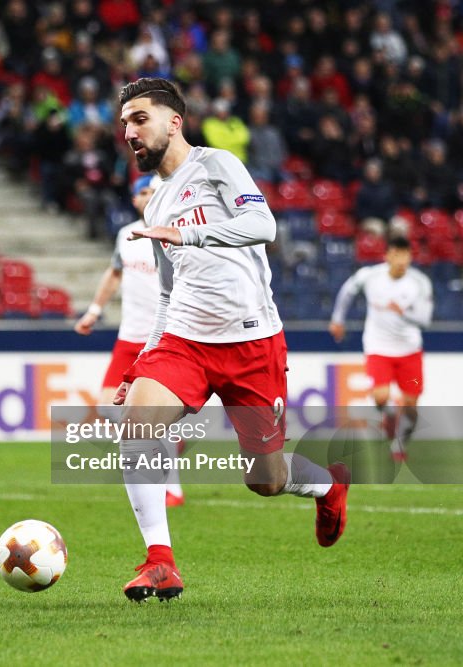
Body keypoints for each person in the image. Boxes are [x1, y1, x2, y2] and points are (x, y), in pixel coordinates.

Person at [113, 78, 349, 603]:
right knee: (136, 427)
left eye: (139, 118)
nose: (129, 131)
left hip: (252, 343)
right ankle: (159, 562)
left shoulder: (215, 165)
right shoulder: (156, 208)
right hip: (187, 342)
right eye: (125, 122)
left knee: (263, 480)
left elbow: (262, 224)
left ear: (174, 121)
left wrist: (189, 233)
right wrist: (140, 366)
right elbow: (168, 297)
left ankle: (328, 485)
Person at [73, 174, 183, 506]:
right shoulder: (126, 235)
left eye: (154, 191)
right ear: (134, 199)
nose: (149, 197)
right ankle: (162, 441)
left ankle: (172, 488)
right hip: (129, 336)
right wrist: (94, 310)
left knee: (152, 415)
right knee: (108, 407)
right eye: (144, 192)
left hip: (163, 337)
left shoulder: (175, 235)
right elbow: (115, 273)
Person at [328, 236, 433, 462]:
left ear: (410, 257)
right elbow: (347, 291)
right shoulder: (370, 276)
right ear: (387, 256)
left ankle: (399, 445)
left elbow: (425, 320)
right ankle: (389, 417)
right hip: (379, 348)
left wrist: (402, 312)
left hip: (410, 352)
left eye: (405, 255)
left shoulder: (420, 282)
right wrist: (338, 319)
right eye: (396, 254)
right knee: (380, 397)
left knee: (411, 406)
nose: (401, 260)